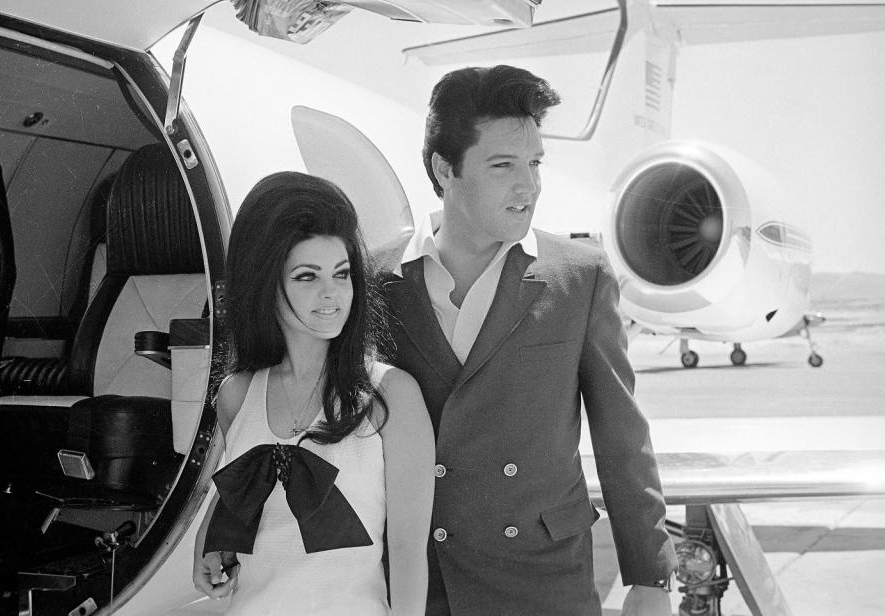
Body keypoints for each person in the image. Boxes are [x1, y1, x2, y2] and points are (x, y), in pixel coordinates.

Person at [377, 65, 677, 615]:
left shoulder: (579, 277)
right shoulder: (375, 280)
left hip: (544, 581)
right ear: (445, 170)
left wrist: (650, 579)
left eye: (535, 163)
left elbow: (621, 438)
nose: (529, 185)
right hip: (420, 585)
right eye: (503, 165)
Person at [193, 171, 435, 615]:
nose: (332, 294)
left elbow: (407, 554)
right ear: (266, 283)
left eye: (342, 274)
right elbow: (244, 492)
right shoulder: (237, 394)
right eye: (307, 277)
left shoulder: (390, 395)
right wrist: (208, 543)